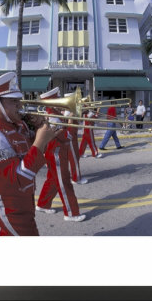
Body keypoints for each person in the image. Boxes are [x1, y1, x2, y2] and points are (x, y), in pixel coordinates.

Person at [0, 72, 61, 236]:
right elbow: (19, 178)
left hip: (23, 198)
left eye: (19, 100)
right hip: (8, 205)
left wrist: (39, 129)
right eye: (13, 102)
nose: (20, 105)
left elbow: (29, 153)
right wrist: (40, 141)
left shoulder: (19, 126)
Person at [36, 87, 86, 222]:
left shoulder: (55, 113)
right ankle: (71, 213)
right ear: (52, 102)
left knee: (52, 180)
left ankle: (42, 204)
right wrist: (71, 121)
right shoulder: (54, 118)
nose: (62, 101)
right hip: (56, 153)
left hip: (56, 152)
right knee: (64, 182)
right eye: (58, 99)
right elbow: (68, 136)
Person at [63, 107, 88, 185]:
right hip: (71, 137)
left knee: (75, 157)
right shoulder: (69, 113)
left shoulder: (72, 112)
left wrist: (82, 112)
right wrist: (71, 116)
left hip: (74, 136)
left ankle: (73, 175)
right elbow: (70, 126)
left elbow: (79, 121)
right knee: (74, 158)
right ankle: (76, 179)